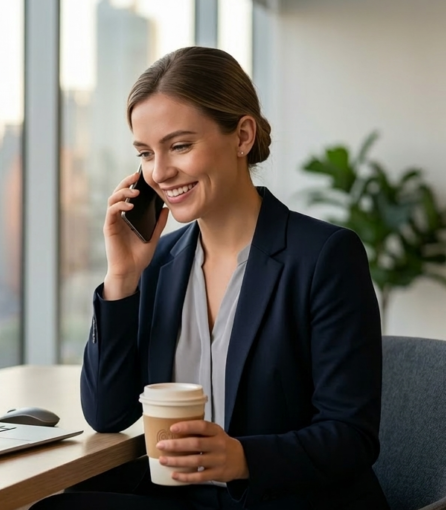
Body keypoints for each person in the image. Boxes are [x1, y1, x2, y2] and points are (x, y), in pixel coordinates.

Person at [32, 47, 389, 509]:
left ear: (242, 136)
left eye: (180, 145)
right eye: (145, 153)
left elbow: (352, 438)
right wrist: (121, 277)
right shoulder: (158, 265)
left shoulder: (324, 256)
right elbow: (107, 413)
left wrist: (241, 457)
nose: (160, 173)